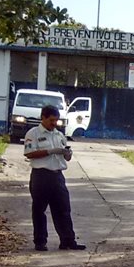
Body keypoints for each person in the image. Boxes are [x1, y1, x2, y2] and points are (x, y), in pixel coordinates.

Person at [23, 105, 85, 251]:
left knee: (63, 209)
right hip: (41, 176)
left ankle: (67, 240)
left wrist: (67, 154)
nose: (54, 123)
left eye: (56, 120)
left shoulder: (59, 135)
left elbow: (66, 156)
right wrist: (49, 151)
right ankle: (40, 242)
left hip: (57, 176)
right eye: (51, 120)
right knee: (39, 210)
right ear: (43, 118)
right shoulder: (33, 133)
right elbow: (28, 153)